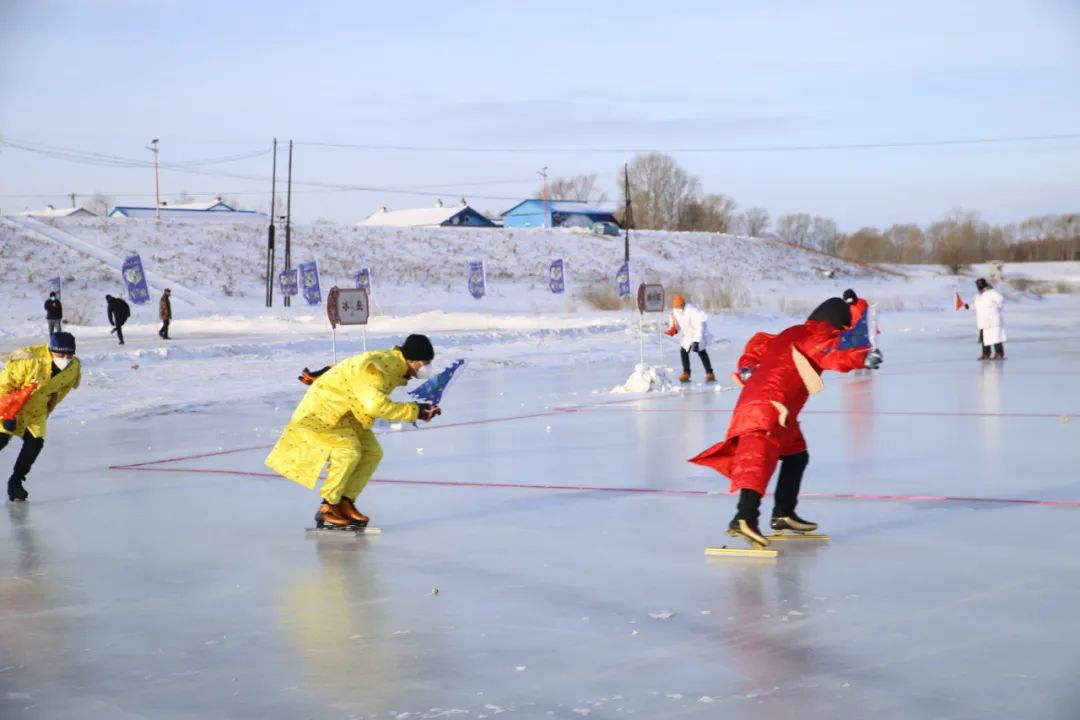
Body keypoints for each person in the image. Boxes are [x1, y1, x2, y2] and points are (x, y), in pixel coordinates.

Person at [689, 298, 881, 547]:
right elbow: (833, 354)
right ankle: (745, 517)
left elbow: (757, 346)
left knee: (796, 456)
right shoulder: (818, 335)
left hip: (776, 408)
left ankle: (783, 514)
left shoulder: (794, 332)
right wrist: (862, 357)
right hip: (768, 406)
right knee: (757, 460)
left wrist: (747, 366)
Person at [265, 334, 442, 528]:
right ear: (412, 360)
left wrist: (326, 372)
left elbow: (352, 370)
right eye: (425, 362)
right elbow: (375, 406)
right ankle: (328, 506)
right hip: (324, 412)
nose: (427, 367)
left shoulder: (393, 365)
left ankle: (345, 501)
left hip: (348, 414)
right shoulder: (382, 368)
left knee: (371, 453)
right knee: (348, 452)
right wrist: (416, 411)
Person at [0, 332, 81, 502]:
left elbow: (63, 390)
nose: (65, 358)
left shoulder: (73, 367)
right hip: (10, 405)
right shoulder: (29, 360)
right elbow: (3, 387)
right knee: (2, 439)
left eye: (69, 354)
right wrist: (7, 415)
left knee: (35, 444)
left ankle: (16, 483)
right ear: (51, 350)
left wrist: (49, 407)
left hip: (37, 411)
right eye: (61, 354)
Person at [665, 293, 715, 383]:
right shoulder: (676, 311)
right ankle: (686, 372)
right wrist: (674, 329)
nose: (677, 308)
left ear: (682, 304)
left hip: (697, 334)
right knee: (683, 351)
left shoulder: (692, 311)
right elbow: (678, 324)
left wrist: (696, 341)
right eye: (676, 306)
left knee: (701, 352)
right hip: (687, 336)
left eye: (679, 306)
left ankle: (709, 372)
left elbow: (699, 327)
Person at [966, 278, 1006, 360]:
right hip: (983, 321)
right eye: (977, 285)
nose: (977, 286)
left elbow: (1001, 300)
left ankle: (999, 353)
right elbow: (976, 306)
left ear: (982, 284)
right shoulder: (978, 296)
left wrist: (996, 309)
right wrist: (969, 307)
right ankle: (986, 354)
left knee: (995, 338)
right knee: (984, 339)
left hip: (992, 320)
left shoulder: (991, 293)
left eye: (978, 284)